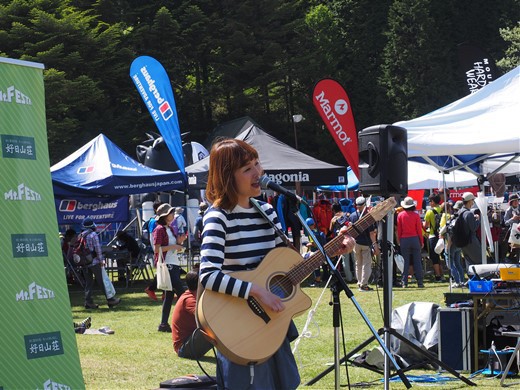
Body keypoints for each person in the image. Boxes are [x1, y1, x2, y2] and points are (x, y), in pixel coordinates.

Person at [199, 138, 356, 389]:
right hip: (238, 325)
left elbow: (284, 267)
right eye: (247, 169)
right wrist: (257, 291)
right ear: (227, 176)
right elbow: (207, 275)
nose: (258, 173)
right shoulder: (218, 217)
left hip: (272, 322)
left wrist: (333, 250)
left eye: (257, 164)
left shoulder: (267, 212)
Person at [153, 203, 187, 332]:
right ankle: (192, 320)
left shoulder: (170, 228)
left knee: (169, 296)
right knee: (182, 294)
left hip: (173, 263)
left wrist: (180, 242)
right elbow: (157, 249)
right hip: (167, 264)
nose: (173, 214)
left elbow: (174, 246)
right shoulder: (159, 229)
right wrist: (175, 246)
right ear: (165, 216)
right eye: (171, 212)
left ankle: (163, 324)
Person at [80, 218, 121, 309]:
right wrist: (101, 260)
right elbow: (98, 249)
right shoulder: (93, 234)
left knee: (89, 283)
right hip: (94, 262)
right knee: (102, 281)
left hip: (85, 263)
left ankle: (88, 302)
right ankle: (110, 300)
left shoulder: (81, 235)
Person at [171, 270, 213, 359]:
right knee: (215, 328)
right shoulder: (189, 299)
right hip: (183, 348)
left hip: (187, 344)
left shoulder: (191, 295)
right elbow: (206, 318)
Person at [349, 196, 379, 292]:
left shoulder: (352, 216)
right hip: (366, 243)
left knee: (358, 264)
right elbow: (371, 233)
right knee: (366, 264)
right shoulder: (368, 217)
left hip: (356, 243)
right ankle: (364, 284)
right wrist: (375, 245)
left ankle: (359, 282)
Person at [396, 197, 424, 288]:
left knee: (405, 262)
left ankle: (405, 282)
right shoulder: (416, 215)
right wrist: (421, 241)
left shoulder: (400, 215)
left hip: (404, 239)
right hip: (415, 239)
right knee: (417, 261)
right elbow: (419, 230)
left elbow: (399, 230)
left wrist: (399, 240)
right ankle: (420, 282)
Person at [422, 194, 445, 282]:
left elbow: (426, 225)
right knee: (443, 255)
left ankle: (438, 276)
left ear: (432, 202)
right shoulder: (442, 209)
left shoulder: (429, 212)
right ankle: (443, 274)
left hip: (433, 236)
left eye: (430, 201)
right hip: (442, 235)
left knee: (434, 257)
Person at [144, 200, 162, 301]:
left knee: (164, 271)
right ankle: (151, 289)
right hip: (158, 250)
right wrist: (156, 250)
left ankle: (164, 293)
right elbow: (152, 237)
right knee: (162, 271)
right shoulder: (154, 221)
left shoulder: (161, 219)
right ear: (156, 209)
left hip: (163, 249)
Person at [458, 192, 483, 265]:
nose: (473, 202)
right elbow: (473, 228)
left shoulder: (460, 211)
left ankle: (471, 276)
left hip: (463, 240)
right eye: (472, 200)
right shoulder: (469, 213)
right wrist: (478, 219)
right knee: (478, 261)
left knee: (468, 262)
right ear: (469, 201)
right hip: (471, 240)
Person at [445, 200, 465, 287]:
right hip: (460, 243)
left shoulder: (454, 219)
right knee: (458, 263)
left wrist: (448, 246)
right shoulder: (463, 219)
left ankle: (457, 282)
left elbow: (451, 232)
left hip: (452, 244)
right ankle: (462, 281)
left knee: (450, 264)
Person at [305, 217, 327, 286]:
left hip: (315, 252)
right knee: (323, 265)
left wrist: (307, 244)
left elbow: (313, 244)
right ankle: (325, 277)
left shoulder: (311, 233)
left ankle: (317, 280)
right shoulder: (318, 232)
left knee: (315, 266)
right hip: (322, 251)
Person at [503, 193, 520, 262]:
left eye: (517, 200)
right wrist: (513, 219)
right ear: (511, 202)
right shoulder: (508, 211)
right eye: (514, 201)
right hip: (514, 232)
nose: (516, 202)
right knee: (516, 248)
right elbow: (506, 223)